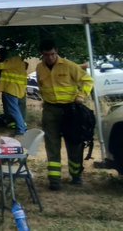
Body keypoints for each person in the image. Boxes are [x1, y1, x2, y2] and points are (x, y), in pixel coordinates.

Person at [36, 39, 94, 189]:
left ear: (57, 52)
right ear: (42, 54)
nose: (50, 57)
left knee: (74, 143)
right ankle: (54, 180)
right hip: (50, 110)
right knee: (52, 145)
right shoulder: (39, 68)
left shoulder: (69, 66)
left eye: (52, 54)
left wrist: (81, 96)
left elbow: (88, 80)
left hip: (70, 110)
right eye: (46, 55)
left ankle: (76, 175)